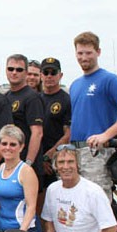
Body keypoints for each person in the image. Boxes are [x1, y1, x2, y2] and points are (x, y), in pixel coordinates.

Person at [70, 31, 117, 201]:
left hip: (96, 153)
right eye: (80, 53)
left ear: (98, 52)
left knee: (97, 202)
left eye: (88, 52)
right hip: (74, 152)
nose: (84, 57)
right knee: (77, 203)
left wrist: (106, 135)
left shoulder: (109, 79)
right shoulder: (75, 85)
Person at [41, 144, 117, 232]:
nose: (66, 166)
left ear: (78, 164)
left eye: (70, 162)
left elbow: (111, 228)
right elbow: (48, 218)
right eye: (61, 162)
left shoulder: (93, 191)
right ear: (55, 166)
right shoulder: (53, 189)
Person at [0, 125, 40, 232]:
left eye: (13, 144)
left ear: (21, 147)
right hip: (1, 228)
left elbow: (31, 207)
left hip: (22, 230)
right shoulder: (2, 167)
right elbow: (1, 190)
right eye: (4, 144)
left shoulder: (26, 171)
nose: (8, 148)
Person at [5, 54, 45, 186]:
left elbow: (37, 133)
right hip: (9, 163)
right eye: (11, 69)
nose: (14, 72)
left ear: (26, 73)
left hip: (27, 165)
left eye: (19, 69)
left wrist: (28, 163)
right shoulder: (5, 97)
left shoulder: (32, 98)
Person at [40, 57, 71, 193]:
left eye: (53, 72)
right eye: (46, 72)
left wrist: (50, 155)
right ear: (41, 75)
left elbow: (69, 133)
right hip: (37, 159)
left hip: (57, 158)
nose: (49, 76)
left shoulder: (66, 100)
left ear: (60, 75)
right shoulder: (35, 99)